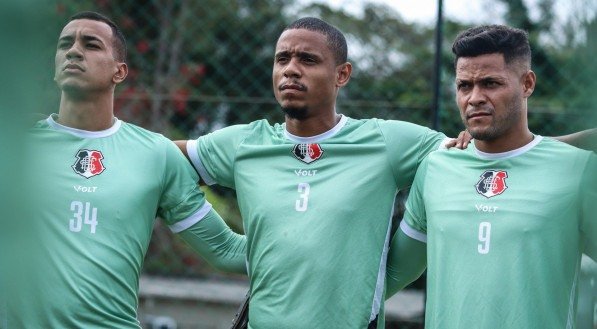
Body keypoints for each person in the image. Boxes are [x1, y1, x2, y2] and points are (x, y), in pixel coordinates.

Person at [176, 18, 595, 328]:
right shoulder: (243, 142)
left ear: (342, 74)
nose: (291, 69)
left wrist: (361, 306)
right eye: (282, 59)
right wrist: (223, 244)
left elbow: (499, 151)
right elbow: (157, 161)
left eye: (307, 59)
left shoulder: (392, 143)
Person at [9, 11, 247, 328]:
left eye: (91, 44)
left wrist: (315, 243)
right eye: (65, 44)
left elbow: (226, 250)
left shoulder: (156, 155)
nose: (74, 51)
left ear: (119, 72)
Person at [385, 25, 596, 329]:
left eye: (490, 83)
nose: (474, 98)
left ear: (527, 83)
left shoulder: (577, 170)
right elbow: (393, 275)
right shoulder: (435, 168)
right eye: (464, 86)